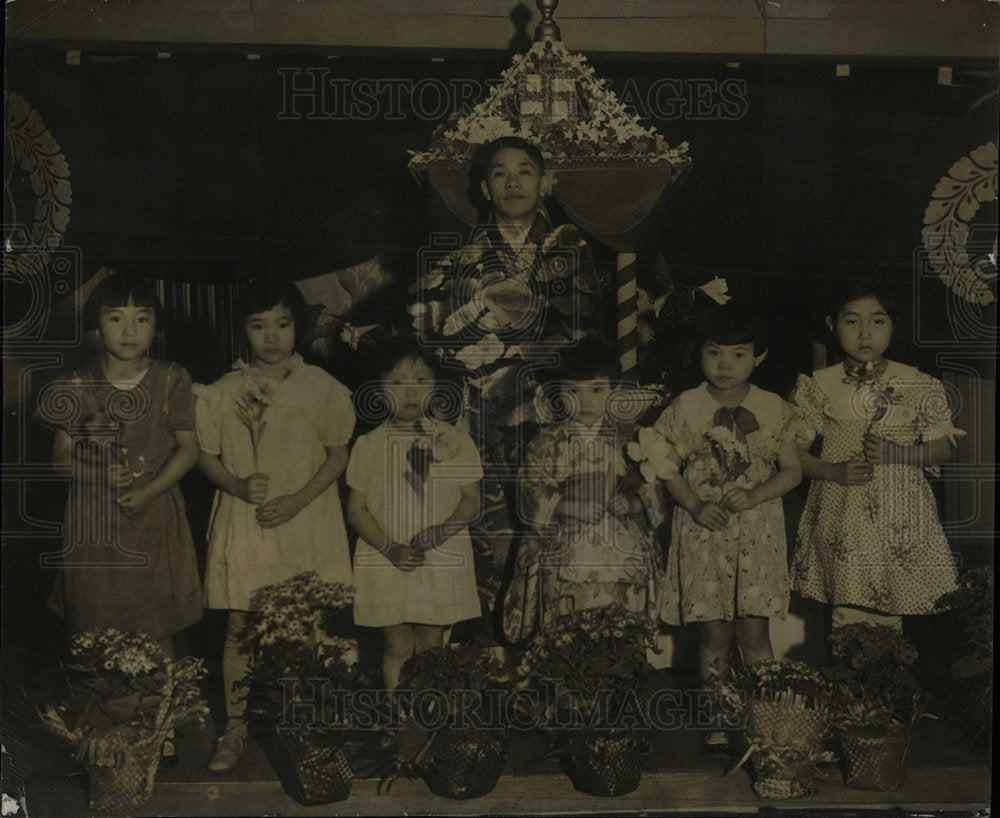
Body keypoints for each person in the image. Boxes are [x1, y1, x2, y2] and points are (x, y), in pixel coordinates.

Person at [410, 136, 607, 639]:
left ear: (546, 182)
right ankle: (483, 654)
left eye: (525, 171)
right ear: (483, 187)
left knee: (548, 525)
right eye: (500, 173)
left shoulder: (569, 245)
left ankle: (546, 654)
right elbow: (428, 330)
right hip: (477, 412)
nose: (513, 182)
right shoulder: (461, 253)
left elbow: (583, 329)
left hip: (548, 411)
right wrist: (474, 335)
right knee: (483, 525)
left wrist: (516, 344)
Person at [35, 272, 203, 765]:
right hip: (93, 524)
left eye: (142, 319)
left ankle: (159, 728)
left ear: (156, 327)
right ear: (96, 327)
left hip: (153, 515)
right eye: (116, 318)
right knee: (95, 622)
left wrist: (149, 488)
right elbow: (59, 458)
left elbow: (189, 450)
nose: (130, 331)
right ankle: (105, 732)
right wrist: (97, 476)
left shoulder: (172, 378)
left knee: (153, 623)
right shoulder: (75, 384)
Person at [194, 279, 355, 772]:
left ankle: (303, 722)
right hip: (248, 521)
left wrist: (298, 499)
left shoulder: (322, 387)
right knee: (242, 624)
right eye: (258, 326)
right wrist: (239, 486)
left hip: (305, 518)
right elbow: (206, 456)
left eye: (282, 325)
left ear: (296, 328)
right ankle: (236, 728)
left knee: (304, 624)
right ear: (243, 331)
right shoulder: (224, 390)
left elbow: (338, 454)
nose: (271, 337)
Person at [650, 306, 802, 752]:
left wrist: (755, 494)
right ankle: (718, 718)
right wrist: (694, 503)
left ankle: (767, 720)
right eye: (713, 352)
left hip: (757, 535)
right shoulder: (686, 406)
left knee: (754, 631)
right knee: (713, 630)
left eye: (738, 354)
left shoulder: (773, 407)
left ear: (759, 356)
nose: (724, 364)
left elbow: (791, 470)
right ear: (699, 354)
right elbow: (663, 464)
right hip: (705, 533)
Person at [789, 280, 961, 631]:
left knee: (890, 612)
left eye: (878, 321)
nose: (865, 333)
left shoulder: (918, 383)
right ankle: (849, 684)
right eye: (851, 321)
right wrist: (829, 470)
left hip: (899, 517)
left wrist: (899, 453)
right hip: (843, 516)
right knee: (847, 611)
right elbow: (791, 453)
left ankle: (888, 683)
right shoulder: (818, 385)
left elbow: (944, 447)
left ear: (893, 325)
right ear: (830, 325)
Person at [503, 340, 663, 641]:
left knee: (620, 632)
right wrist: (565, 505)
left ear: (614, 392)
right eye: (574, 391)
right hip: (564, 550)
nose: (585, 400)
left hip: (622, 555)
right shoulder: (546, 441)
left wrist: (634, 501)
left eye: (596, 390)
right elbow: (530, 489)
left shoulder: (634, 438)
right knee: (564, 632)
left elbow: (657, 486)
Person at [346, 338, 482, 689]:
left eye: (420, 382)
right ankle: (397, 719)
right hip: (387, 558)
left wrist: (441, 531)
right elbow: (357, 511)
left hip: (437, 557)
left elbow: (471, 501)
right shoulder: (369, 446)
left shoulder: (455, 442)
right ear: (378, 390)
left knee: (430, 646)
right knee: (397, 646)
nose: (409, 393)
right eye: (397, 383)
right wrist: (390, 548)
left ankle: (427, 718)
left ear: (435, 386)